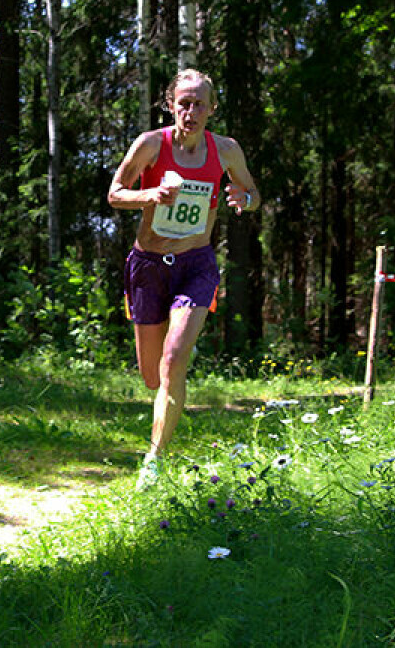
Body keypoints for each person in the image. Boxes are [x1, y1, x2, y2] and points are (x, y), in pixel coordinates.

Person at [107, 69, 260, 489]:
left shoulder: (226, 151)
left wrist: (242, 199)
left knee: (174, 359)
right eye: (184, 103)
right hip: (148, 266)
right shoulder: (151, 145)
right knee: (152, 376)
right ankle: (163, 417)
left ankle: (154, 459)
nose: (191, 111)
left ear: (212, 108)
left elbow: (252, 193)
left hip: (196, 264)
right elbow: (115, 193)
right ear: (171, 105)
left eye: (199, 104)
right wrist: (148, 195)